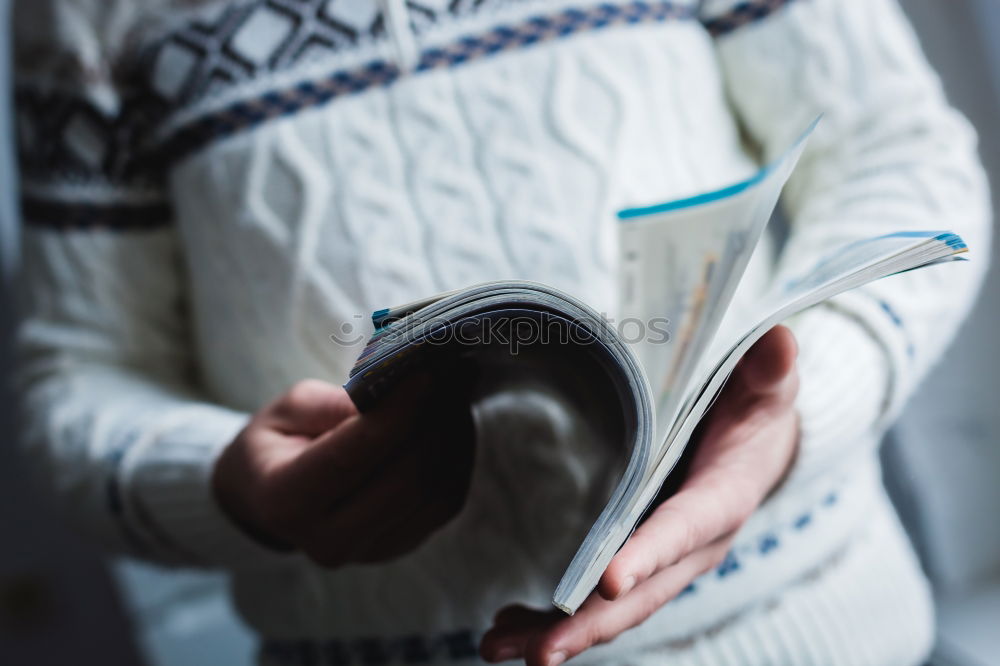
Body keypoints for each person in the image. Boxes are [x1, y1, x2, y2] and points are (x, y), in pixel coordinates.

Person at [12, 0, 990, 664]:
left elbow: (900, 149)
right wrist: (225, 484)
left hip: (820, 630)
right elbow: (80, 373)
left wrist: (802, 406)